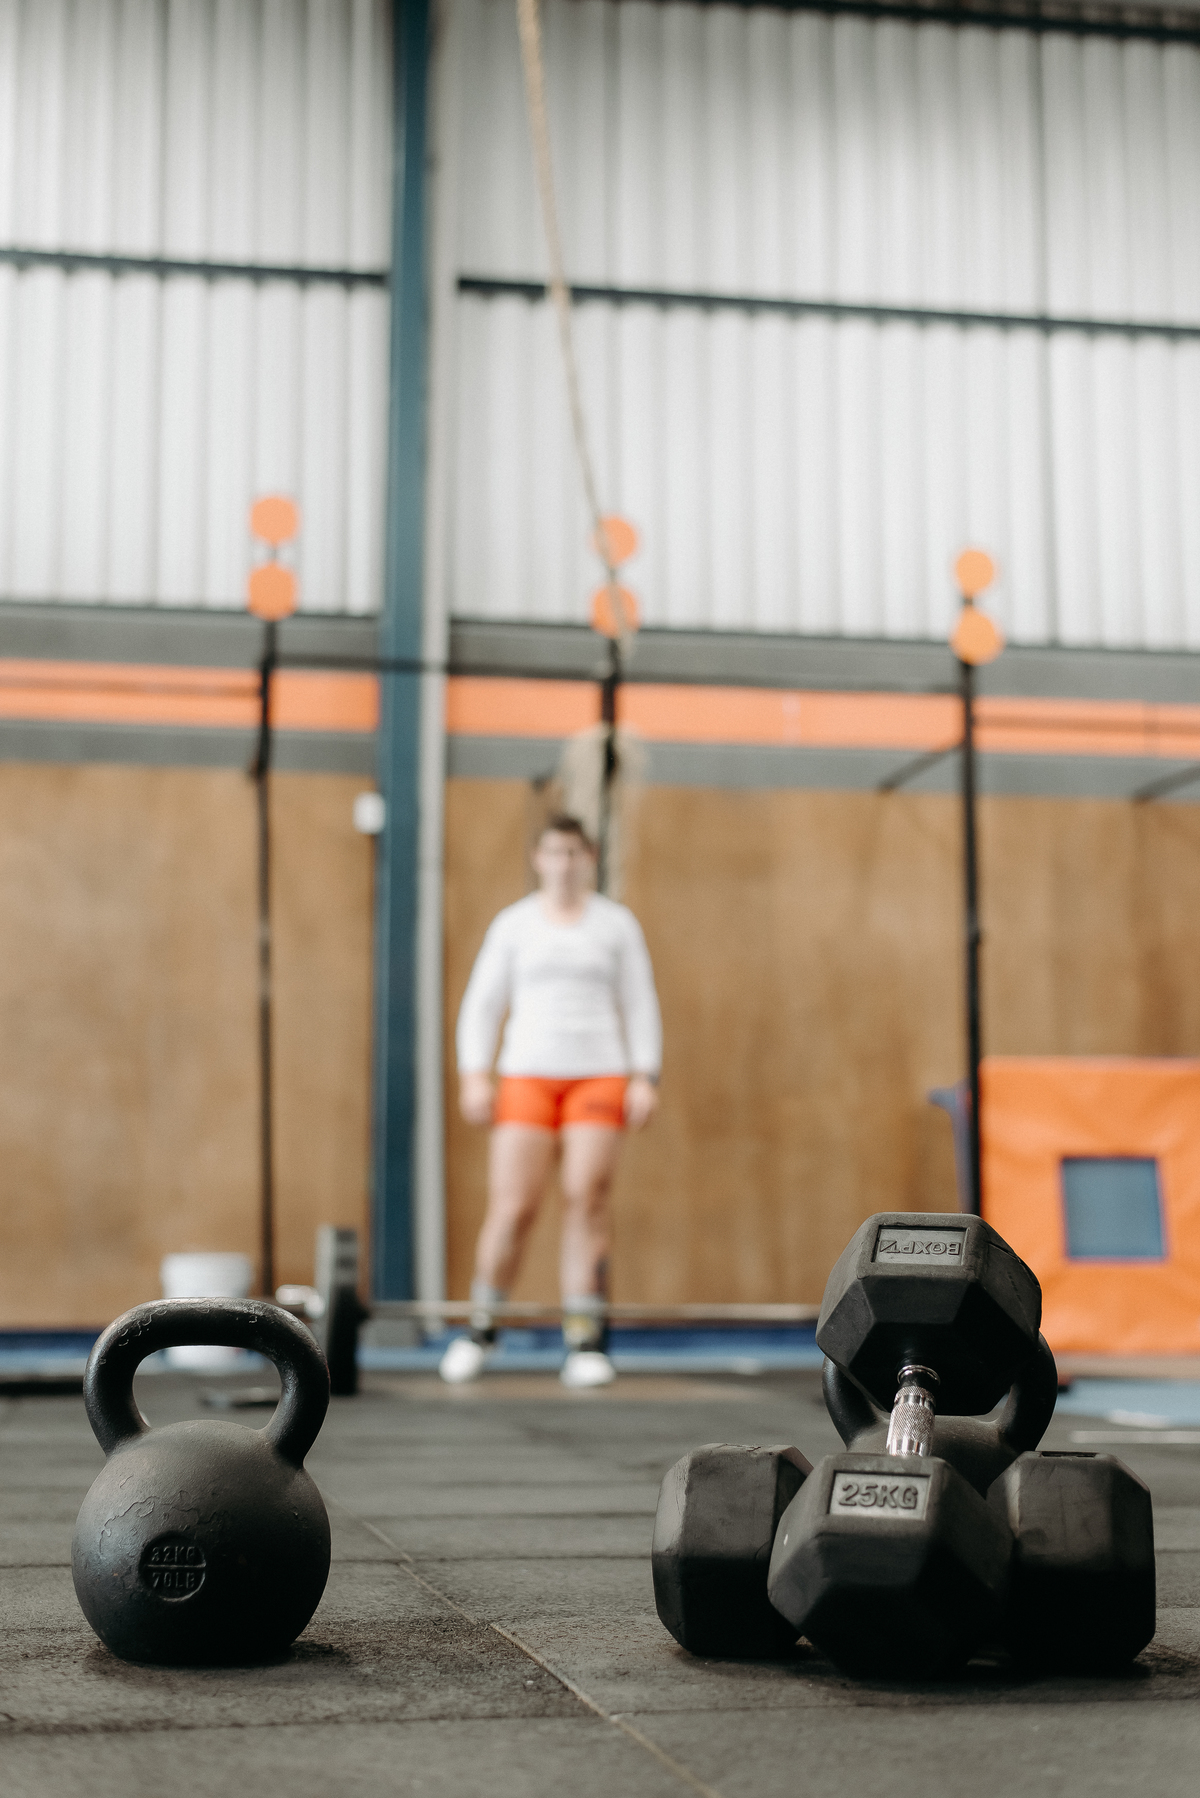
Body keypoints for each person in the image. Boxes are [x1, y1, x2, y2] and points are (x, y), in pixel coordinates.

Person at [440, 814, 662, 1388]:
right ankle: (482, 1329)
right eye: (554, 853)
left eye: (573, 853)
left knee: (586, 1200)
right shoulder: (514, 925)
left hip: (598, 1076)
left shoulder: (615, 924)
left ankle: (584, 1340)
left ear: (589, 859)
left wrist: (645, 1076)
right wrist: (474, 1075)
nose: (564, 864)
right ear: (538, 859)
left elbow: (640, 1001)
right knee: (513, 1207)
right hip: (527, 1076)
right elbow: (482, 1004)